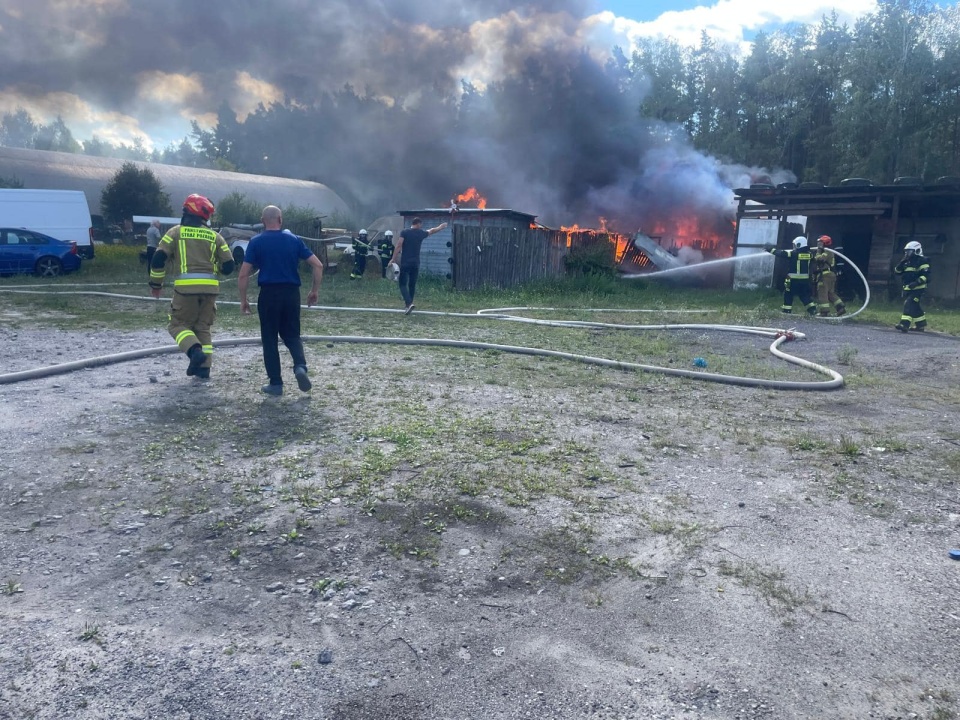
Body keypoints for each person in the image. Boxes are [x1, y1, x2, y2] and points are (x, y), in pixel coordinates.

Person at [238, 205, 324, 396]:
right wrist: (314, 291)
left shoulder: (256, 242)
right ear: (280, 220)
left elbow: (243, 274)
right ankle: (300, 366)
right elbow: (317, 265)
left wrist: (243, 300)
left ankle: (276, 384)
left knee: (269, 339)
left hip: (269, 294)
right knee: (292, 335)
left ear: (262, 221)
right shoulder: (293, 240)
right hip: (291, 293)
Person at [149, 194, 235, 379]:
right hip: (210, 290)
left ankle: (194, 351)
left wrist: (156, 284)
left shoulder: (175, 233)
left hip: (185, 290)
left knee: (177, 325)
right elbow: (229, 266)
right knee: (202, 327)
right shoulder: (215, 237)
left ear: (187, 211)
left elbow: (158, 258)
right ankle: (204, 369)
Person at [389, 217, 447, 314]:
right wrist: (440, 227)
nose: (421, 226)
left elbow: (399, 245)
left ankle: (408, 304)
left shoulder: (405, 232)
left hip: (405, 263)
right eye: (421, 225)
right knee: (412, 285)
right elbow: (432, 231)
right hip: (415, 263)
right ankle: (409, 305)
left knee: (402, 284)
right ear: (418, 224)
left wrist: (393, 258)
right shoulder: (420, 233)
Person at [765, 236, 817, 315]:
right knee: (804, 296)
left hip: (793, 280)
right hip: (805, 281)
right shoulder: (810, 255)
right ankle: (812, 309)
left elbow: (781, 253)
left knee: (788, 294)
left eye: (795, 245)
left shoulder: (793, 254)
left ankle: (787, 311)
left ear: (799, 245)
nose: (794, 247)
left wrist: (770, 249)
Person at [894, 240, 930, 332]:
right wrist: (901, 262)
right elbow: (897, 272)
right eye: (906, 251)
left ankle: (904, 324)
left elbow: (926, 276)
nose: (907, 253)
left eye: (909, 251)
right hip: (908, 288)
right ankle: (920, 325)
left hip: (918, 288)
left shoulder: (922, 261)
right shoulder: (906, 262)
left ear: (917, 251)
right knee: (915, 306)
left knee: (909, 304)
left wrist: (917, 282)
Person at [810, 235, 846, 317]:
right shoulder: (828, 251)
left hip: (825, 275)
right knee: (830, 293)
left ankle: (824, 311)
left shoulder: (827, 251)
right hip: (829, 274)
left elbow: (820, 259)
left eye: (820, 243)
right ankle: (840, 308)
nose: (819, 245)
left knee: (822, 293)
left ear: (825, 243)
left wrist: (818, 251)